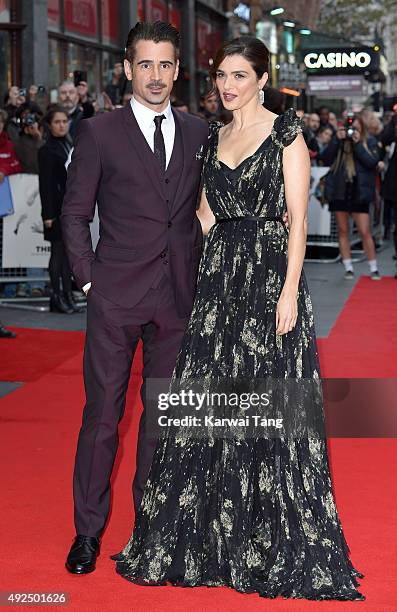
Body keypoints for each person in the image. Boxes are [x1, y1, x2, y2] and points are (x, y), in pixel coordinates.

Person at [112, 36, 364, 601]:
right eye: (221, 76)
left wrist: (290, 291)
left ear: (262, 78)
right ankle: (214, 540)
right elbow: (203, 215)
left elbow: (298, 220)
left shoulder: (285, 134)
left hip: (270, 277)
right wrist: (158, 263)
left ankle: (266, 540)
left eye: (239, 76)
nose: (226, 86)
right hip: (218, 286)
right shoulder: (215, 137)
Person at [61, 21, 209, 574]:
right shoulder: (99, 133)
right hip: (115, 299)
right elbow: (75, 215)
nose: (155, 76)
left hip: (177, 301)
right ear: (127, 68)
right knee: (102, 417)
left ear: (177, 70)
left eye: (165, 65)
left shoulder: (199, 132)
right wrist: (90, 280)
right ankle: (87, 533)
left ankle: (151, 529)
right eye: (144, 64)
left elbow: (203, 211)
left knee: (163, 419)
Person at [321, 115, 380, 280]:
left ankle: (373, 267)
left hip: (359, 193)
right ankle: (348, 267)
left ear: (362, 129)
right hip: (340, 191)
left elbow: (372, 162)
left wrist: (358, 143)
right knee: (343, 230)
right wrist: (335, 140)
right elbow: (325, 158)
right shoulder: (339, 142)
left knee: (364, 231)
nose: (352, 131)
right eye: (350, 128)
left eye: (356, 128)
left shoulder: (369, 142)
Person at [38, 107, 76, 314]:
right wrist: (48, 215)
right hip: (55, 211)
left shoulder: (69, 144)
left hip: (70, 209)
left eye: (64, 121)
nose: (62, 125)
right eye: (57, 122)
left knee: (69, 256)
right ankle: (56, 296)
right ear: (49, 125)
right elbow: (45, 186)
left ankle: (68, 295)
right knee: (57, 254)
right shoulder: (46, 150)